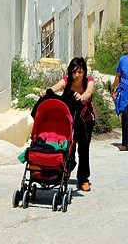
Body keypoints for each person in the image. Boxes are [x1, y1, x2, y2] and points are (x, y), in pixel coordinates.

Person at [47, 57, 95, 192]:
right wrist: (46, 92)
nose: (77, 75)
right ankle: (68, 167)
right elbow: (54, 88)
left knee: (84, 149)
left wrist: (83, 97)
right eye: (74, 72)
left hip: (86, 119)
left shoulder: (88, 81)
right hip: (70, 119)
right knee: (69, 146)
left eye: (80, 72)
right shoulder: (66, 81)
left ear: (84, 72)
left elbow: (89, 91)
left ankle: (83, 179)